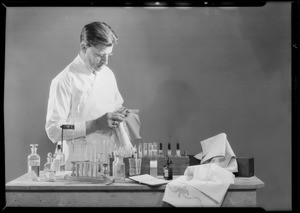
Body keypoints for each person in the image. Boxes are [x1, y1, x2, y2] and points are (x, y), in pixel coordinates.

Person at [45, 22, 135, 170]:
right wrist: (94, 124)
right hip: (76, 165)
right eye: (99, 55)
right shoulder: (64, 80)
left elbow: (117, 111)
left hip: (109, 161)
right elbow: (54, 129)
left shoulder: (108, 74)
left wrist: (127, 147)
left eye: (108, 55)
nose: (105, 62)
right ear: (83, 48)